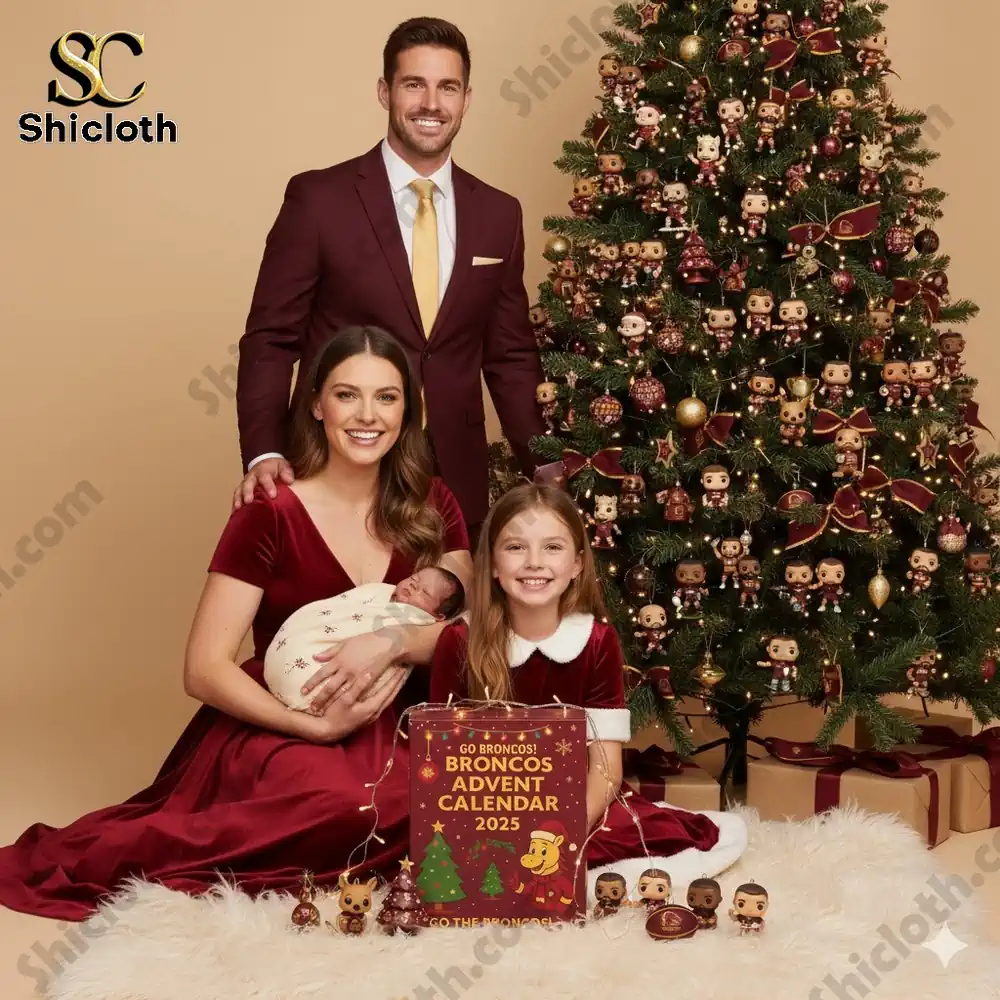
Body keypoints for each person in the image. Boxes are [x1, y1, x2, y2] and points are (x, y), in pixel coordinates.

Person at [0, 326, 472, 921]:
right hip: (283, 718)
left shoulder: (434, 504)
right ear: (317, 405)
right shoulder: (269, 511)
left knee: (446, 799)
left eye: (387, 397)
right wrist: (317, 731)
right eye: (347, 395)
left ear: (407, 412)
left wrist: (390, 642)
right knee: (346, 806)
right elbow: (203, 669)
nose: (367, 415)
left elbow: (466, 629)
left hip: (402, 714)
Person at [233, 16, 546, 545]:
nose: (431, 103)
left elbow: (510, 353)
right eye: (413, 84)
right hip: (337, 472)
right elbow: (270, 337)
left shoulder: (499, 213)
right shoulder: (318, 200)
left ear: (466, 99)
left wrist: (545, 463)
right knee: (334, 626)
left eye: (447, 87)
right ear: (385, 92)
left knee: (448, 627)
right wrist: (265, 451)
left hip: (455, 484)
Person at [428, 483, 748, 900]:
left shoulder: (597, 642)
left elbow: (605, 770)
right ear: (491, 564)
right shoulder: (458, 641)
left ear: (578, 563)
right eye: (515, 548)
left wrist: (560, 838)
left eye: (553, 548)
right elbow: (437, 762)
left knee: (644, 837)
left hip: (572, 798)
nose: (534, 563)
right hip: (480, 806)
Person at [264, 567, 465, 710]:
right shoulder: (379, 593)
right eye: (414, 579)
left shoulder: (419, 621)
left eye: (424, 592)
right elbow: (342, 611)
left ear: (438, 617)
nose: (413, 587)